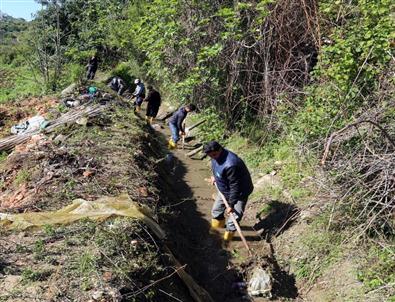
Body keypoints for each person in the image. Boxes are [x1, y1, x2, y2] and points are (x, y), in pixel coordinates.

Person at [203, 141, 254, 241]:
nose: (212, 157)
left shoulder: (231, 164)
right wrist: (215, 178)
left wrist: (231, 205)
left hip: (239, 193)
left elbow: (235, 186)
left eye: (214, 155)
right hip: (224, 190)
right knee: (216, 211)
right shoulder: (215, 156)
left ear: (220, 150)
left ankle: (227, 240)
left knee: (233, 219)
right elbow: (217, 168)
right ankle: (216, 232)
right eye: (210, 156)